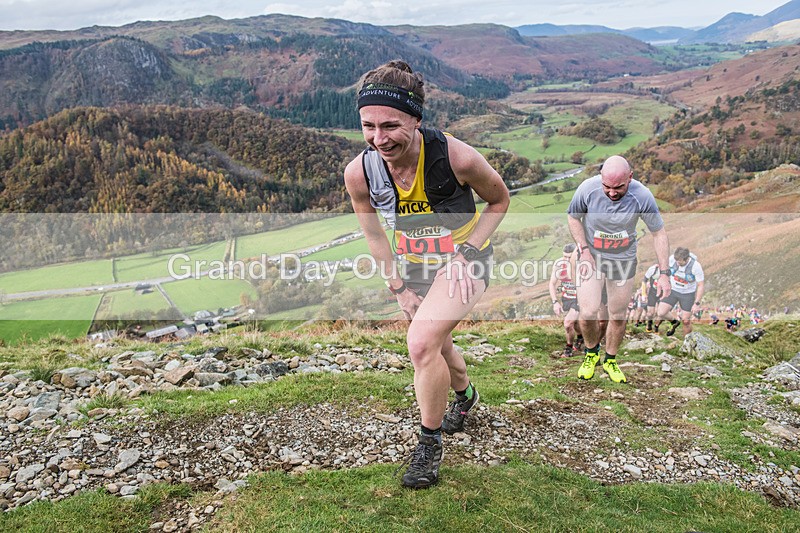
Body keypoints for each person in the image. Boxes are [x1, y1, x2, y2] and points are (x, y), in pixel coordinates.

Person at [343, 60, 510, 489]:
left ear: (416, 120)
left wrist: (466, 252)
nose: (379, 138)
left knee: (420, 343)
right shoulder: (360, 173)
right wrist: (398, 287)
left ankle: (429, 444)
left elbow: (500, 201)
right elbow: (375, 236)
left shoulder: (457, 156)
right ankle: (466, 396)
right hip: (415, 268)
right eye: (368, 126)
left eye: (391, 125)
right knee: (439, 343)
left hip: (464, 262)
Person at [567, 155, 671, 383]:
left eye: (619, 187)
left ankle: (610, 360)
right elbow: (573, 218)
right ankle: (591, 353)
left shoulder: (642, 196)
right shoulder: (587, 189)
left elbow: (658, 233)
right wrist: (583, 250)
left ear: (630, 178)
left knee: (617, 314)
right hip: (592, 258)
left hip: (623, 262)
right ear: (600, 177)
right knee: (588, 311)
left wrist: (664, 274)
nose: (612, 193)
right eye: (607, 187)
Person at [654, 247, 705, 336]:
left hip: (687, 294)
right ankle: (674, 322)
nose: (677, 263)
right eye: (676, 260)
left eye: (680, 261)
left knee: (686, 321)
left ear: (686, 259)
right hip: (673, 290)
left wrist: (697, 303)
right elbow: (664, 271)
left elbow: (700, 285)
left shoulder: (695, 266)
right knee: (661, 312)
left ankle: (687, 343)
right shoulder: (672, 259)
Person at [549, 243, 583, 357]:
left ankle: (568, 349)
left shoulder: (583, 264)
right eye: (565, 256)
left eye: (570, 257)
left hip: (580, 298)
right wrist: (555, 302)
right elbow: (552, 284)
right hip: (566, 297)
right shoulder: (559, 264)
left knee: (568, 323)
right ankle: (580, 338)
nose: (567, 259)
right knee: (576, 323)